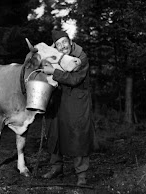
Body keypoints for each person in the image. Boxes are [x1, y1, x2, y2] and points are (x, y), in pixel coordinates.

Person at [42, 30, 94, 186]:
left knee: (78, 135)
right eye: (58, 44)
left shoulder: (80, 57)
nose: (62, 46)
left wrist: (54, 72)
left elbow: (75, 79)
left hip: (77, 101)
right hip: (57, 99)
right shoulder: (55, 57)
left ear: (70, 41)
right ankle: (56, 167)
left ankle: (81, 174)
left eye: (64, 42)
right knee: (54, 133)